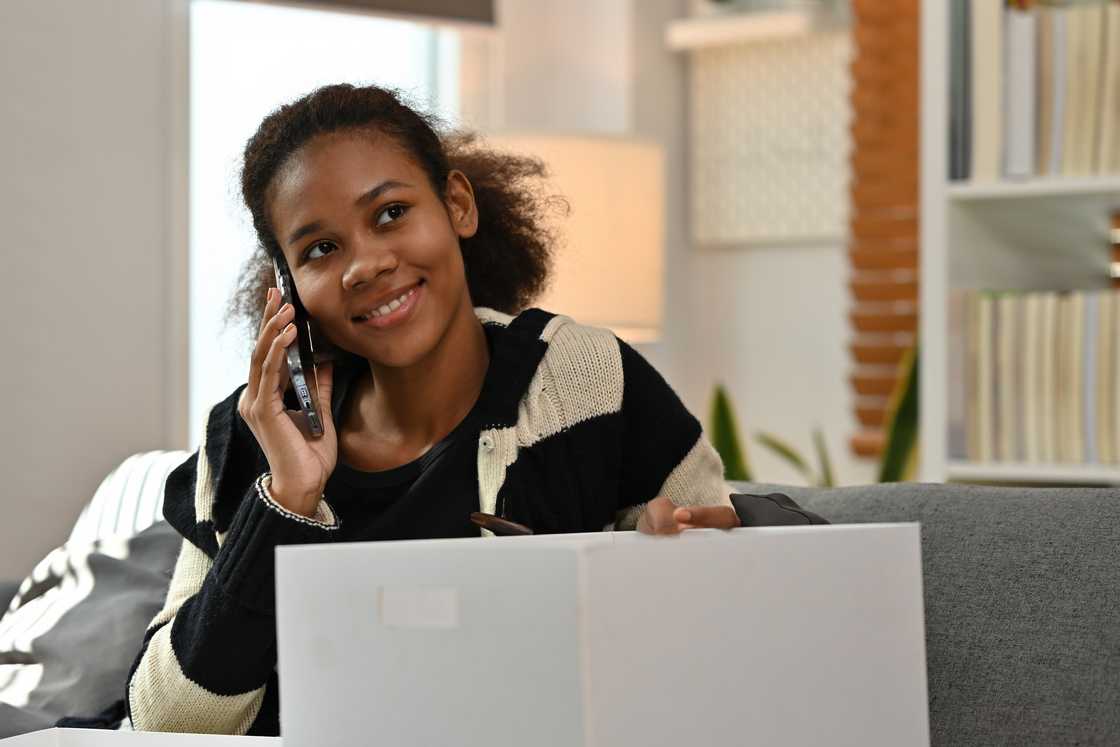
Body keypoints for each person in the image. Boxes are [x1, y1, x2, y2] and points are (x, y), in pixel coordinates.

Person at [125, 83, 740, 736]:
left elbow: (721, 617)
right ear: (287, 289)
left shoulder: (586, 381)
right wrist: (284, 499)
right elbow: (164, 720)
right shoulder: (252, 436)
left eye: (389, 213)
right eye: (319, 249)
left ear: (457, 205)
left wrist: (670, 564)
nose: (366, 263)